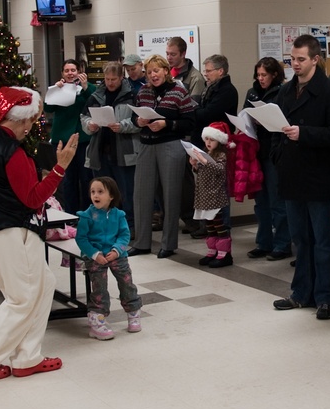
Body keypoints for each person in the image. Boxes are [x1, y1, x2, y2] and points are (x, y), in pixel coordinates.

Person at [0, 86, 76, 381]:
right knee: (21, 298)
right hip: (8, 230)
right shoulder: (12, 152)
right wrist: (60, 168)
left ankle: (27, 357)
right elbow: (33, 199)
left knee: (43, 284)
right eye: (32, 120)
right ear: (21, 118)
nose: (31, 127)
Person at [271, 34, 330, 321]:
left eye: (301, 59)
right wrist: (277, 155)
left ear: (316, 59)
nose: (295, 64)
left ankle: (327, 297)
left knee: (323, 240)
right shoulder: (286, 90)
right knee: (300, 239)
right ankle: (301, 292)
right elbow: (277, 127)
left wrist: (304, 133)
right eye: (292, 59)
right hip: (292, 172)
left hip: (319, 174)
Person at [129, 54, 197, 259]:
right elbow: (134, 117)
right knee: (141, 194)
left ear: (166, 71)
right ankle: (142, 243)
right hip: (147, 144)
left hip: (170, 145)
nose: (153, 75)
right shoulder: (143, 91)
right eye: (149, 72)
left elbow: (190, 121)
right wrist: (138, 122)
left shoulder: (178, 91)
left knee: (170, 195)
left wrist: (167, 123)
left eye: (156, 71)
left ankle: (168, 244)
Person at [75, 176, 142, 340]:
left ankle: (133, 312)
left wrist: (117, 250)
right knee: (99, 287)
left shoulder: (119, 215)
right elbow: (81, 239)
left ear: (111, 196)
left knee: (127, 283)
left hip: (117, 256)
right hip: (96, 258)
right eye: (92, 192)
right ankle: (97, 319)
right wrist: (95, 254)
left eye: (100, 192)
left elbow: (124, 235)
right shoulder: (86, 216)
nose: (95, 195)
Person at [183, 54, 239, 239]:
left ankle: (222, 227)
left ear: (220, 71)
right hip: (205, 141)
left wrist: (193, 110)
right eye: (205, 70)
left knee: (218, 188)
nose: (205, 74)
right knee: (204, 185)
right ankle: (207, 224)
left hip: (219, 144)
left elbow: (209, 113)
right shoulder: (210, 88)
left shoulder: (227, 90)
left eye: (209, 71)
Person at [82, 61, 140, 232]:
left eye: (114, 79)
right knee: (102, 191)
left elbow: (139, 121)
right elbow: (84, 117)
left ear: (121, 77)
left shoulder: (132, 95)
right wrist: (90, 125)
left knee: (126, 193)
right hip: (100, 152)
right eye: (107, 79)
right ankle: (104, 225)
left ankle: (129, 226)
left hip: (124, 152)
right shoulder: (96, 95)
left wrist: (122, 125)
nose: (110, 83)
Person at [244, 57, 291, 260]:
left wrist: (265, 120)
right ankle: (263, 242)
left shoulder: (283, 91)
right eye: (258, 75)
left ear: (274, 75)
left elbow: (285, 121)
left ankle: (282, 244)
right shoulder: (252, 92)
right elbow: (244, 112)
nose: (260, 78)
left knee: (277, 201)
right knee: (260, 201)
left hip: (274, 151)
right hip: (256, 149)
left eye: (264, 75)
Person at [44, 58, 95, 213]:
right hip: (63, 139)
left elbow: (95, 101)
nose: (70, 73)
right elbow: (48, 107)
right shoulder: (57, 88)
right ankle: (70, 213)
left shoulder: (88, 87)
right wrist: (55, 90)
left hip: (83, 138)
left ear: (79, 72)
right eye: (67, 70)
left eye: (73, 70)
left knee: (86, 178)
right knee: (68, 179)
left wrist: (85, 87)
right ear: (62, 73)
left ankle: (87, 212)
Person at [189, 121, 233, 268]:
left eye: (212, 139)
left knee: (219, 224)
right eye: (206, 139)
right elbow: (201, 171)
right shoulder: (206, 153)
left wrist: (204, 161)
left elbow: (219, 170)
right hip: (204, 195)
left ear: (219, 141)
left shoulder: (221, 155)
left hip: (215, 196)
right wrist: (195, 165)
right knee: (209, 225)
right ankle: (213, 250)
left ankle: (224, 253)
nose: (208, 142)